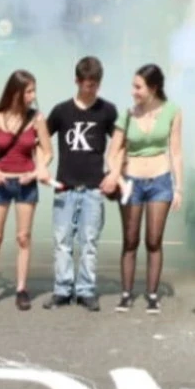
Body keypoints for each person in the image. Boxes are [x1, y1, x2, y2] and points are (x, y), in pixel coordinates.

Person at [106, 63, 181, 314]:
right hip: (131, 182)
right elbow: (112, 152)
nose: (133, 91)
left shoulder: (173, 111)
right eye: (133, 86)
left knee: (153, 240)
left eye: (138, 87)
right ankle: (126, 295)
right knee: (130, 240)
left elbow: (176, 152)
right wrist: (116, 176)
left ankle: (151, 295)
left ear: (153, 88)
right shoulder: (127, 114)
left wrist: (179, 188)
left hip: (160, 181)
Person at [45, 56, 118, 312]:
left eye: (96, 84)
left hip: (93, 188)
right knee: (62, 242)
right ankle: (62, 289)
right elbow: (42, 138)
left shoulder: (107, 111)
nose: (92, 89)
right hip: (65, 186)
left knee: (89, 243)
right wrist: (41, 167)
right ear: (77, 81)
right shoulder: (61, 111)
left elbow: (121, 143)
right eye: (88, 84)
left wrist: (114, 172)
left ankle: (86, 290)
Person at [0, 69, 52, 311]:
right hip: (1, 182)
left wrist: (38, 169)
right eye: (29, 91)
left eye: (33, 90)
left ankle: (22, 288)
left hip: (25, 181)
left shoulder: (37, 118)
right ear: (16, 92)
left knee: (23, 238)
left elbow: (48, 151)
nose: (33, 95)